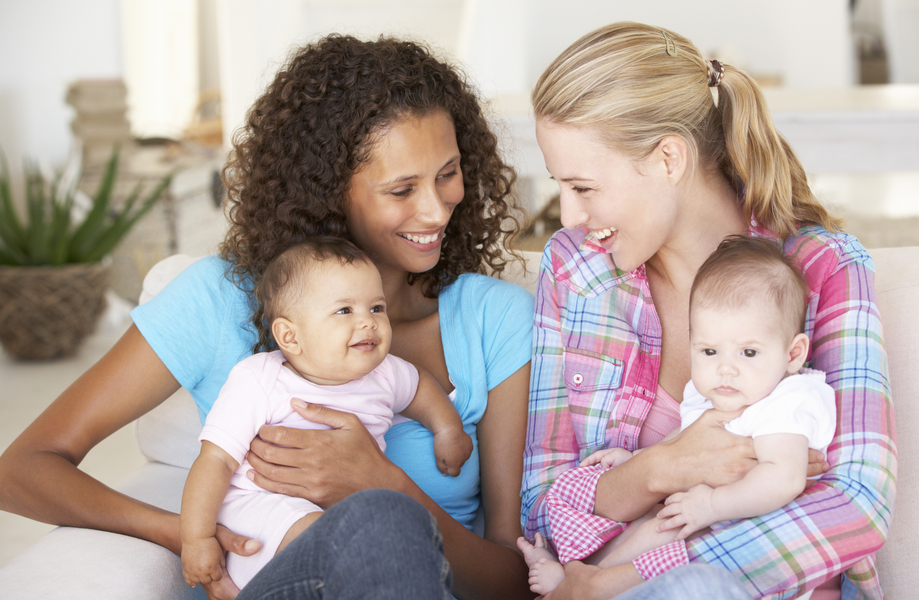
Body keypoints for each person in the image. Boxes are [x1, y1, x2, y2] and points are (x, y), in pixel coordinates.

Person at [0, 34, 535, 600]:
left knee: (383, 516)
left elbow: (513, 584)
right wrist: (187, 533)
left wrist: (384, 485)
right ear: (328, 191)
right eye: (401, 188)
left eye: (448, 174)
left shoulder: (495, 320)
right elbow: (23, 469)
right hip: (274, 581)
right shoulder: (218, 300)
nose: (435, 209)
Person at [520, 22, 896, 600]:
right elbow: (542, 506)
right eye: (559, 187)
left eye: (584, 187)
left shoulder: (823, 269)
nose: (569, 215)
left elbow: (856, 505)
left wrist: (627, 576)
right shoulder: (574, 269)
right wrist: (662, 468)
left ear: (670, 157)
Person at [518, 235, 837, 596]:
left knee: (663, 525)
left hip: (745, 544)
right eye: (710, 350)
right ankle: (578, 575)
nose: (726, 369)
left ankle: (583, 583)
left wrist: (711, 506)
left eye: (749, 352)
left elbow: (785, 479)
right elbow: (682, 446)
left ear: (793, 354)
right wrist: (636, 459)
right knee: (644, 519)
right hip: (698, 517)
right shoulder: (713, 394)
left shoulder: (789, 399)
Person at [181, 237, 474, 590]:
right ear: (290, 337)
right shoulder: (260, 379)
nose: (368, 322)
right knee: (352, 529)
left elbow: (420, 388)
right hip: (262, 518)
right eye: (344, 311)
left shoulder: (384, 373)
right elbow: (215, 460)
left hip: (348, 533)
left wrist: (447, 430)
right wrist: (196, 539)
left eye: (377, 308)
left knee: (390, 534)